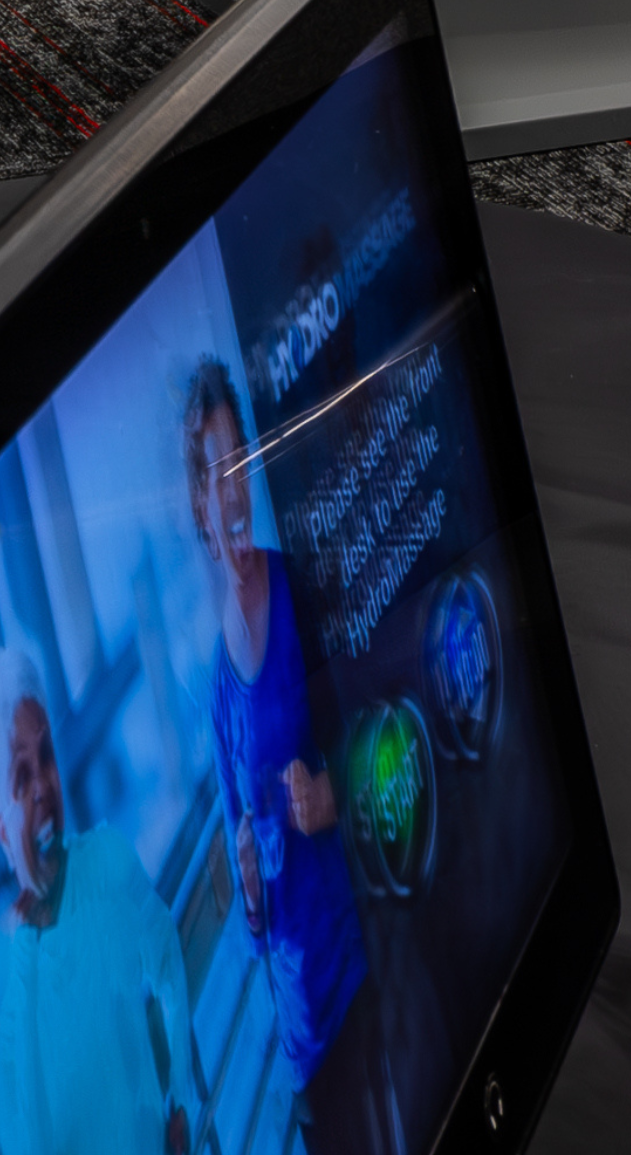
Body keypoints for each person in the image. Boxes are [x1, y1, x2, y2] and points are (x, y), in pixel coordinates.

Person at [185, 356, 367, 1089]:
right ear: (197, 502)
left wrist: (332, 793)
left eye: (239, 461)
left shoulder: (302, 584)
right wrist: (252, 894)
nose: (233, 487)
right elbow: (251, 925)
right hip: (304, 1036)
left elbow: (378, 727)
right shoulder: (216, 695)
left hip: (362, 962)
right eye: (215, 472)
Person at [0, 663, 197, 1155]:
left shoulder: (109, 862)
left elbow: (168, 961)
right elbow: (34, 1144)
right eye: (21, 776)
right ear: (2, 830)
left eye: (46, 758)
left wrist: (181, 1098)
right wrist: (26, 949)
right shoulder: (7, 1038)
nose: (43, 788)